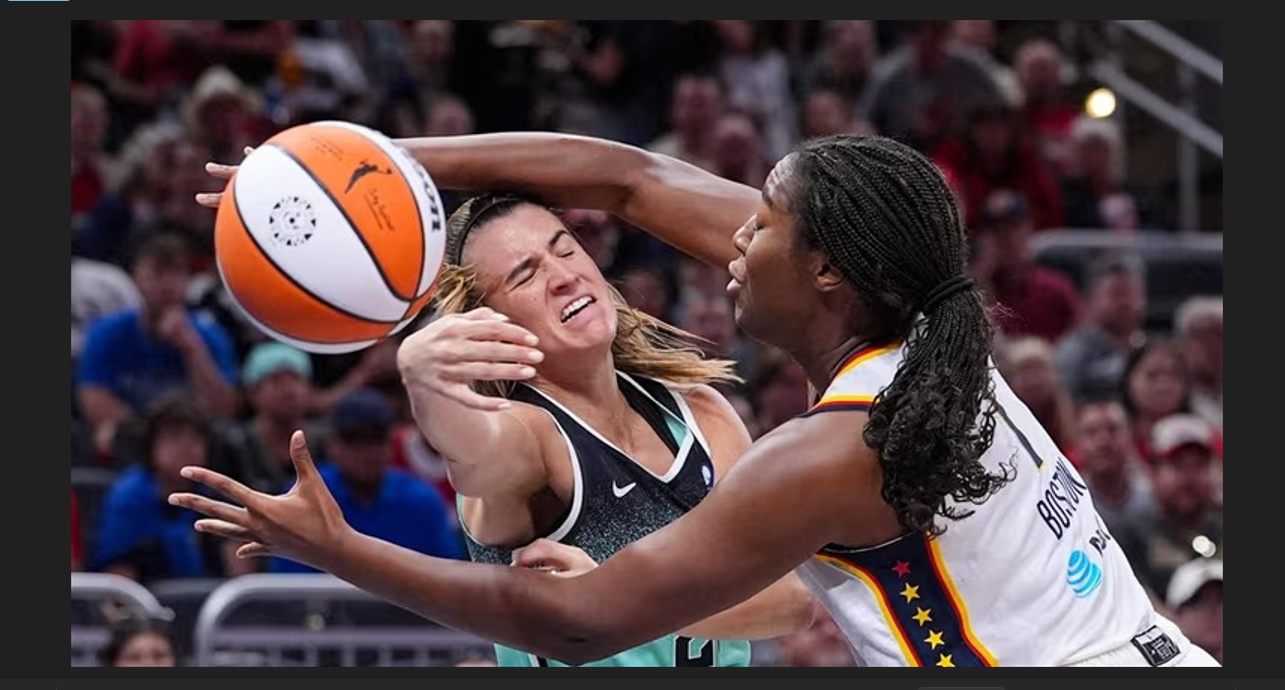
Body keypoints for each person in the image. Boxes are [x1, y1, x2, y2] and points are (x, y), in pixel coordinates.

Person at [178, 131, 1219, 667]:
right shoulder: (927, 326)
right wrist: (373, 165)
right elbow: (627, 180)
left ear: (825, 271)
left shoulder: (834, 453)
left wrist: (337, 549)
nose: (734, 240)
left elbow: (577, 627)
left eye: (761, 227)